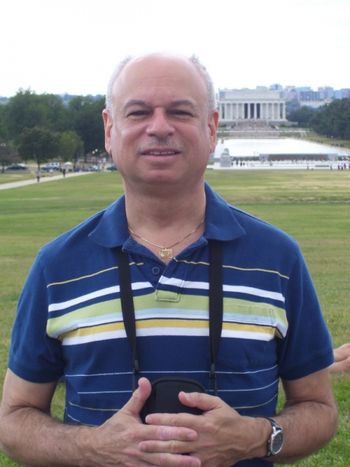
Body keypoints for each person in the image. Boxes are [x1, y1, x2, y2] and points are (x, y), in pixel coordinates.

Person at [0, 53, 337, 466]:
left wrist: (256, 437)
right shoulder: (56, 267)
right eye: (139, 112)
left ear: (211, 128)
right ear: (109, 129)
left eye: (180, 111)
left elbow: (320, 411)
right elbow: (14, 423)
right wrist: (93, 449)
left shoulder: (278, 259)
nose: (159, 127)